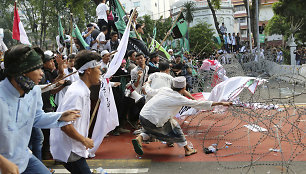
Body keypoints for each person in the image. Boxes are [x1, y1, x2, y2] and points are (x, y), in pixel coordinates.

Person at [0, 44, 80, 173]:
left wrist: (60, 116)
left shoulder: (34, 91)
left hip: (23, 157)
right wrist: (2, 162)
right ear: (21, 71)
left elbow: (36, 117)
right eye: (37, 68)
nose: (42, 73)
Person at [132, 76, 232, 156]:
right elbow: (199, 104)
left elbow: (149, 91)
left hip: (143, 116)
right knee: (175, 127)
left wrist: (147, 84)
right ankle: (187, 149)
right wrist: (221, 103)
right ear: (183, 88)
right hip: (153, 120)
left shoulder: (164, 89)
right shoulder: (180, 98)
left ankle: (140, 137)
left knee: (155, 129)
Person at [50, 50, 102, 173]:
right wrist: (84, 140)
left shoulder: (81, 89)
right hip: (70, 149)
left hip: (74, 147)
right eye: (98, 69)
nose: (100, 72)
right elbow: (65, 125)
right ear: (89, 70)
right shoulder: (77, 93)